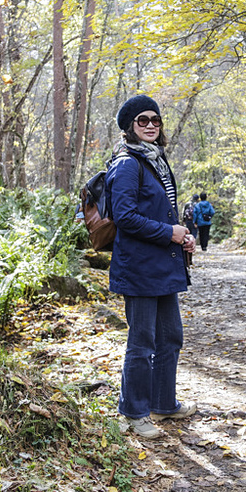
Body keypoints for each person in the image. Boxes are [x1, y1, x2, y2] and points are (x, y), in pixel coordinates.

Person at [106, 94, 197, 440]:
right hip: (139, 269)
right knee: (142, 343)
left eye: (155, 120)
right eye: (142, 120)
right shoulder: (127, 164)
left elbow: (162, 214)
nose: (149, 125)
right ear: (130, 126)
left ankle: (163, 403)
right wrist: (168, 234)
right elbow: (125, 217)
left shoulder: (155, 161)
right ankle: (133, 412)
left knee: (170, 337)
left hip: (161, 266)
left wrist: (182, 237)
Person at [181, 195, 198, 266]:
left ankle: (189, 251)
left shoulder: (187, 204)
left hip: (188, 221)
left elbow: (183, 212)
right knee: (193, 235)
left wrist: (183, 220)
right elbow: (198, 214)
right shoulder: (197, 204)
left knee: (188, 235)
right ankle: (192, 248)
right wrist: (196, 222)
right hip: (194, 221)